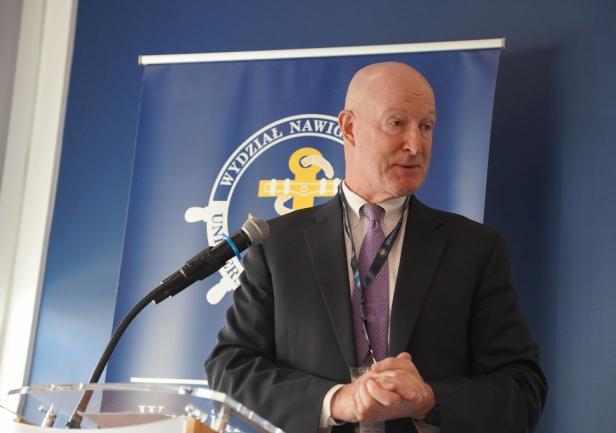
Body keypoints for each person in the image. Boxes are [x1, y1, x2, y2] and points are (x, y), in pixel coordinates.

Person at [205, 62, 547, 433]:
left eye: (426, 126)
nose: (415, 145)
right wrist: (336, 401)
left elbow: (522, 389)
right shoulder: (277, 245)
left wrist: (429, 400)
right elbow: (229, 368)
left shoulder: (475, 249)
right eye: (396, 123)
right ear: (349, 127)